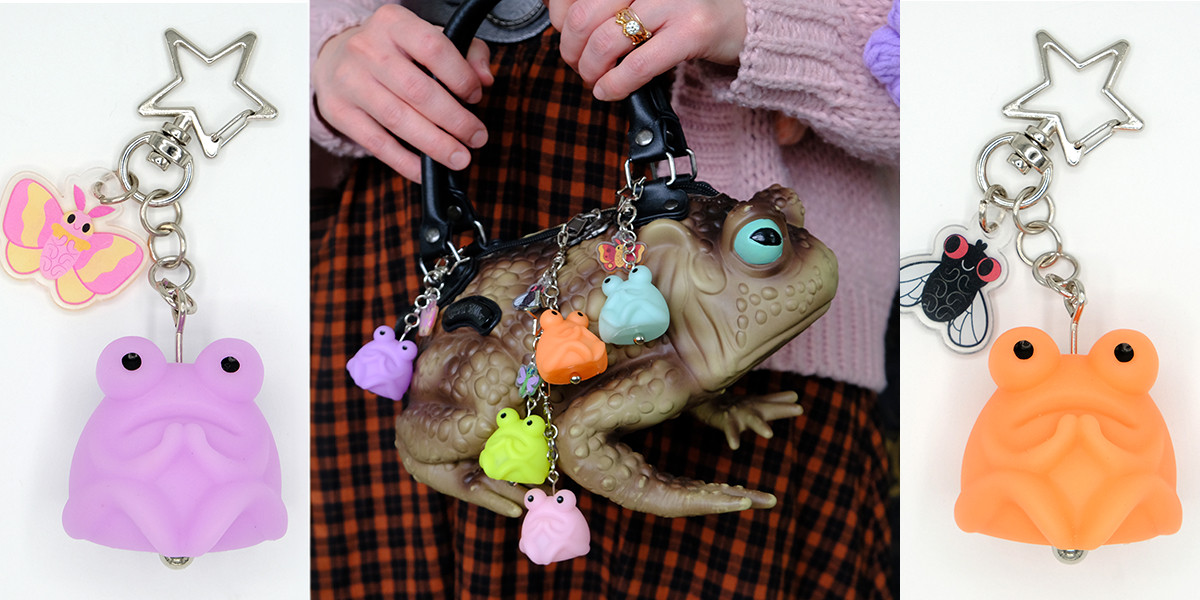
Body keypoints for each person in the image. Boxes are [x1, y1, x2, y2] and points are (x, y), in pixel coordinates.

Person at [311, 0, 898, 597]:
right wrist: (321, 47)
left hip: (743, 315)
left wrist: (756, 23)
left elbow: (948, 81)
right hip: (412, 257)